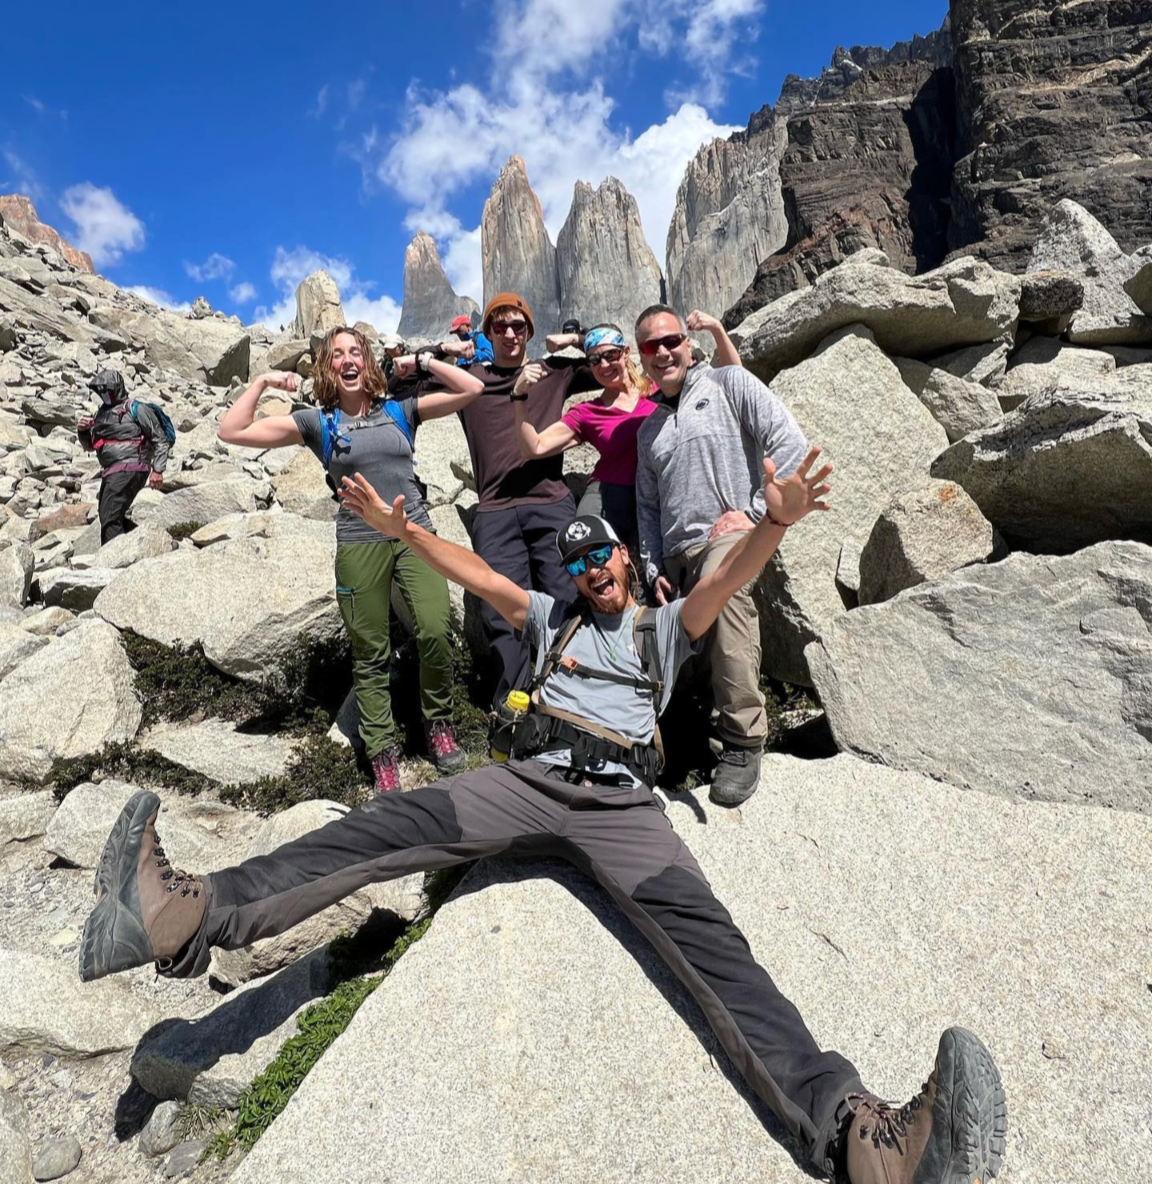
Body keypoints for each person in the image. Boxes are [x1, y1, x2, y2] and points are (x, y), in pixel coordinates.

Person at [77, 455, 1008, 1184]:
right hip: (524, 779)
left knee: (717, 953)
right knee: (377, 831)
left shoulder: (664, 624)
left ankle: (865, 1139)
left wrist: (773, 518)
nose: (589, 565)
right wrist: (401, 533)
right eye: (576, 557)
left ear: (628, 563)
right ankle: (181, 914)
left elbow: (729, 585)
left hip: (621, 808)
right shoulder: (550, 620)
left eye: (600, 552)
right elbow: (478, 573)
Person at [217, 326, 482, 790]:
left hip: (413, 532)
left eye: (355, 351)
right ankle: (382, 751)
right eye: (337, 354)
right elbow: (231, 430)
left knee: (437, 627)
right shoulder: (318, 424)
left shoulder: (401, 412)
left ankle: (437, 725)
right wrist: (260, 384)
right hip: (359, 540)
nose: (347, 359)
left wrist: (421, 363)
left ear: (368, 361)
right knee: (370, 649)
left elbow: (472, 388)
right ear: (328, 368)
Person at [634, 305, 808, 808]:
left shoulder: (729, 384)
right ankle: (665, 748)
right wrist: (651, 569)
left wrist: (756, 514)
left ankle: (742, 740)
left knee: (725, 594)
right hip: (674, 559)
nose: (663, 351)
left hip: (730, 539)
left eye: (671, 340)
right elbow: (648, 507)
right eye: (650, 346)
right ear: (642, 359)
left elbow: (789, 443)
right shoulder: (649, 432)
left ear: (689, 345)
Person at [454, 291, 598, 704]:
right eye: (500, 326)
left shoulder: (554, 372)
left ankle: (572, 699)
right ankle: (517, 707)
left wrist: (573, 342)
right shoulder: (471, 382)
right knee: (501, 613)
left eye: (519, 326)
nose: (510, 334)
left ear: (530, 332)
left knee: (567, 596)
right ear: (489, 333)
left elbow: (612, 358)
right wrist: (441, 353)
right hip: (495, 510)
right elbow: (400, 384)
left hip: (550, 502)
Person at [515, 314, 742, 554]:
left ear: (626, 353)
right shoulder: (587, 412)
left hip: (659, 494)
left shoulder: (659, 385)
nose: (603, 365)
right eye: (594, 360)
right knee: (599, 566)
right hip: (607, 499)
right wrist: (518, 396)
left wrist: (717, 330)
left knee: (651, 580)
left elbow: (733, 381)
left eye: (610, 355)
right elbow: (535, 447)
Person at [77, 369, 170, 545]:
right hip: (112, 470)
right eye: (101, 391)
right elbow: (91, 445)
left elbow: (160, 440)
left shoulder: (136, 408)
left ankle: (114, 562)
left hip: (132, 466)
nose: (104, 394)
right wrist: (83, 431)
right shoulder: (102, 413)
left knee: (110, 516)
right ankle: (147, 543)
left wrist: (158, 470)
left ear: (117, 388)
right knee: (109, 515)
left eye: (107, 390)